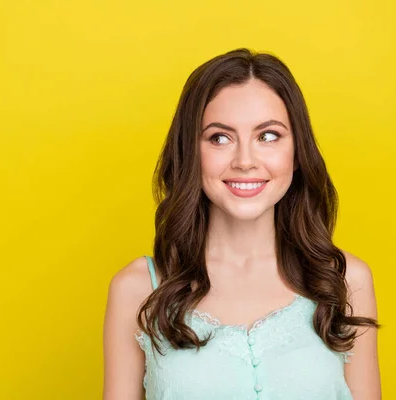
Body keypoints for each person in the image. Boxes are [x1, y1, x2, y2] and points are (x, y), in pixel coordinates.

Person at [103, 48, 380, 399]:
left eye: (268, 136)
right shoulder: (137, 289)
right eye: (220, 137)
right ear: (191, 152)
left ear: (297, 153)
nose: (245, 161)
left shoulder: (345, 281)